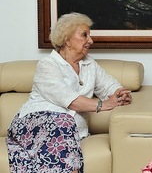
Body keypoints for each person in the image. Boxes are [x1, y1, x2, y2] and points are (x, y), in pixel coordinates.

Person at [6, 12, 132, 173]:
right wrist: (104, 104)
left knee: (65, 124)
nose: (91, 41)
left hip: (69, 129)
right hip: (34, 122)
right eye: (84, 35)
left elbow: (109, 86)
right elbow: (70, 100)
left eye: (90, 36)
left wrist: (121, 94)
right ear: (67, 40)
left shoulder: (89, 64)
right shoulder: (48, 65)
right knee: (64, 122)